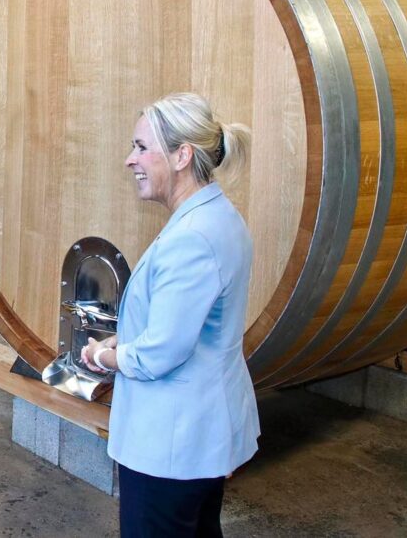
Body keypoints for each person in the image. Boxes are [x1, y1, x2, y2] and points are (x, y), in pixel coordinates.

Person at [81, 92, 259, 537]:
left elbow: (162, 352)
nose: (130, 160)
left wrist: (101, 358)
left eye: (142, 147)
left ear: (182, 155)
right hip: (195, 435)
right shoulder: (217, 217)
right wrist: (122, 339)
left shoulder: (193, 237)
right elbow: (188, 323)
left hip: (171, 444)